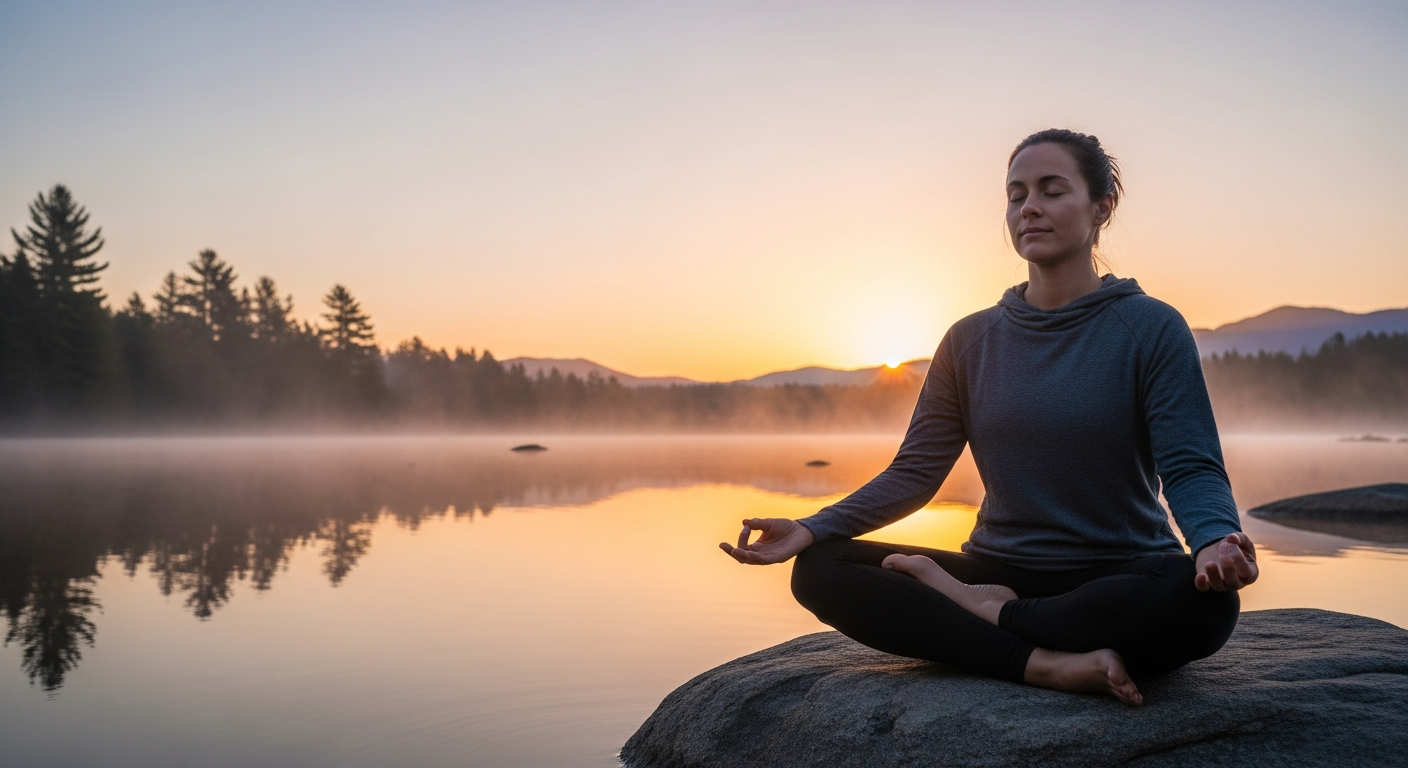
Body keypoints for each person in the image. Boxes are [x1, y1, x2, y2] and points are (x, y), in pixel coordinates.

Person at [719, 129, 1258, 706]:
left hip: (1118, 572)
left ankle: (989, 615)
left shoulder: (1151, 328)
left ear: (1102, 207)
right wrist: (812, 527)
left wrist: (1214, 541)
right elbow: (915, 473)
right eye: (1016, 194)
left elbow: (1190, 464)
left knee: (1205, 603)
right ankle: (1040, 663)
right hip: (995, 563)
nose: (1029, 207)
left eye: (1052, 191)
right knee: (821, 568)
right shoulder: (970, 339)